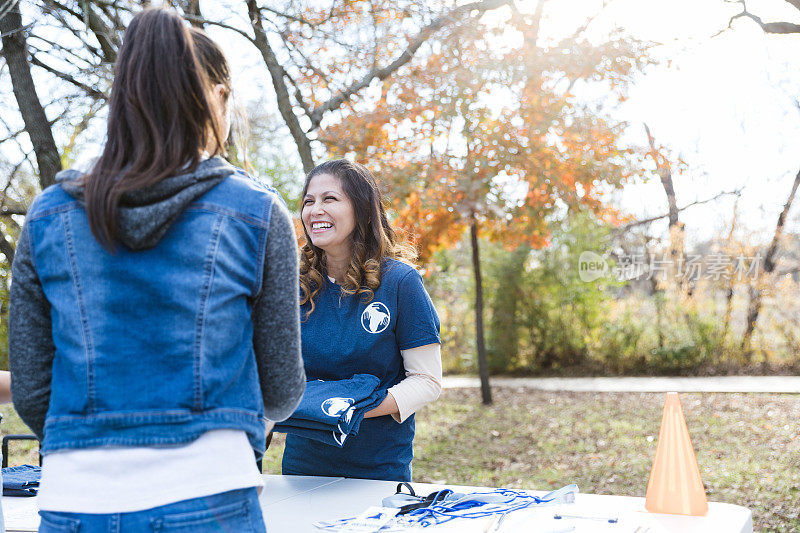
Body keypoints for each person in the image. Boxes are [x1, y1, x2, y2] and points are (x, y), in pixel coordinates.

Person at [9, 9, 305, 532]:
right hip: (209, 490)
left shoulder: (49, 216)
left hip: (78, 497)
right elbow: (281, 390)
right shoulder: (256, 213)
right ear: (215, 99)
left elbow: (33, 393)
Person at [281, 159, 442, 482]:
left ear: (363, 211)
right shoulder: (291, 283)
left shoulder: (400, 282)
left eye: (330, 199)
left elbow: (427, 382)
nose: (315, 210)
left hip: (378, 468)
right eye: (308, 202)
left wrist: (347, 410)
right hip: (303, 467)